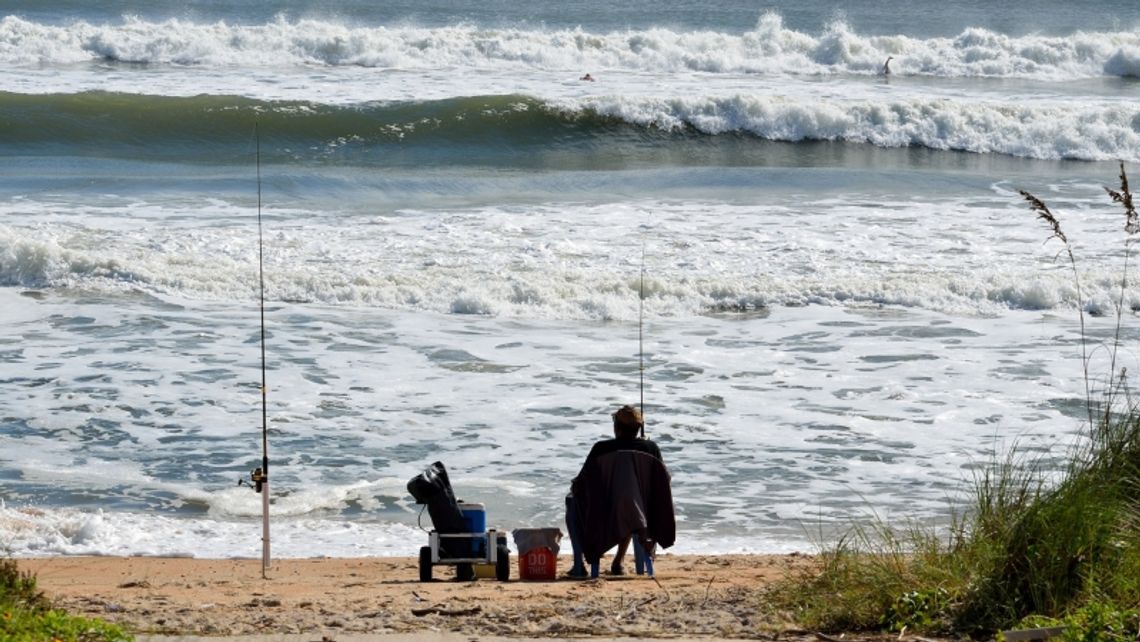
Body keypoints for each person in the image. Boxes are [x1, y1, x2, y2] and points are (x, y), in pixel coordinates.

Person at [564, 404, 666, 578]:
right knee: (629, 504)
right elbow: (663, 481)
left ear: (617, 427)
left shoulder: (601, 448)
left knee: (572, 501)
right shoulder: (651, 448)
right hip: (641, 513)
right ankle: (618, 561)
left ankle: (578, 565)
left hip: (604, 511)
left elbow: (581, 482)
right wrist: (644, 444)